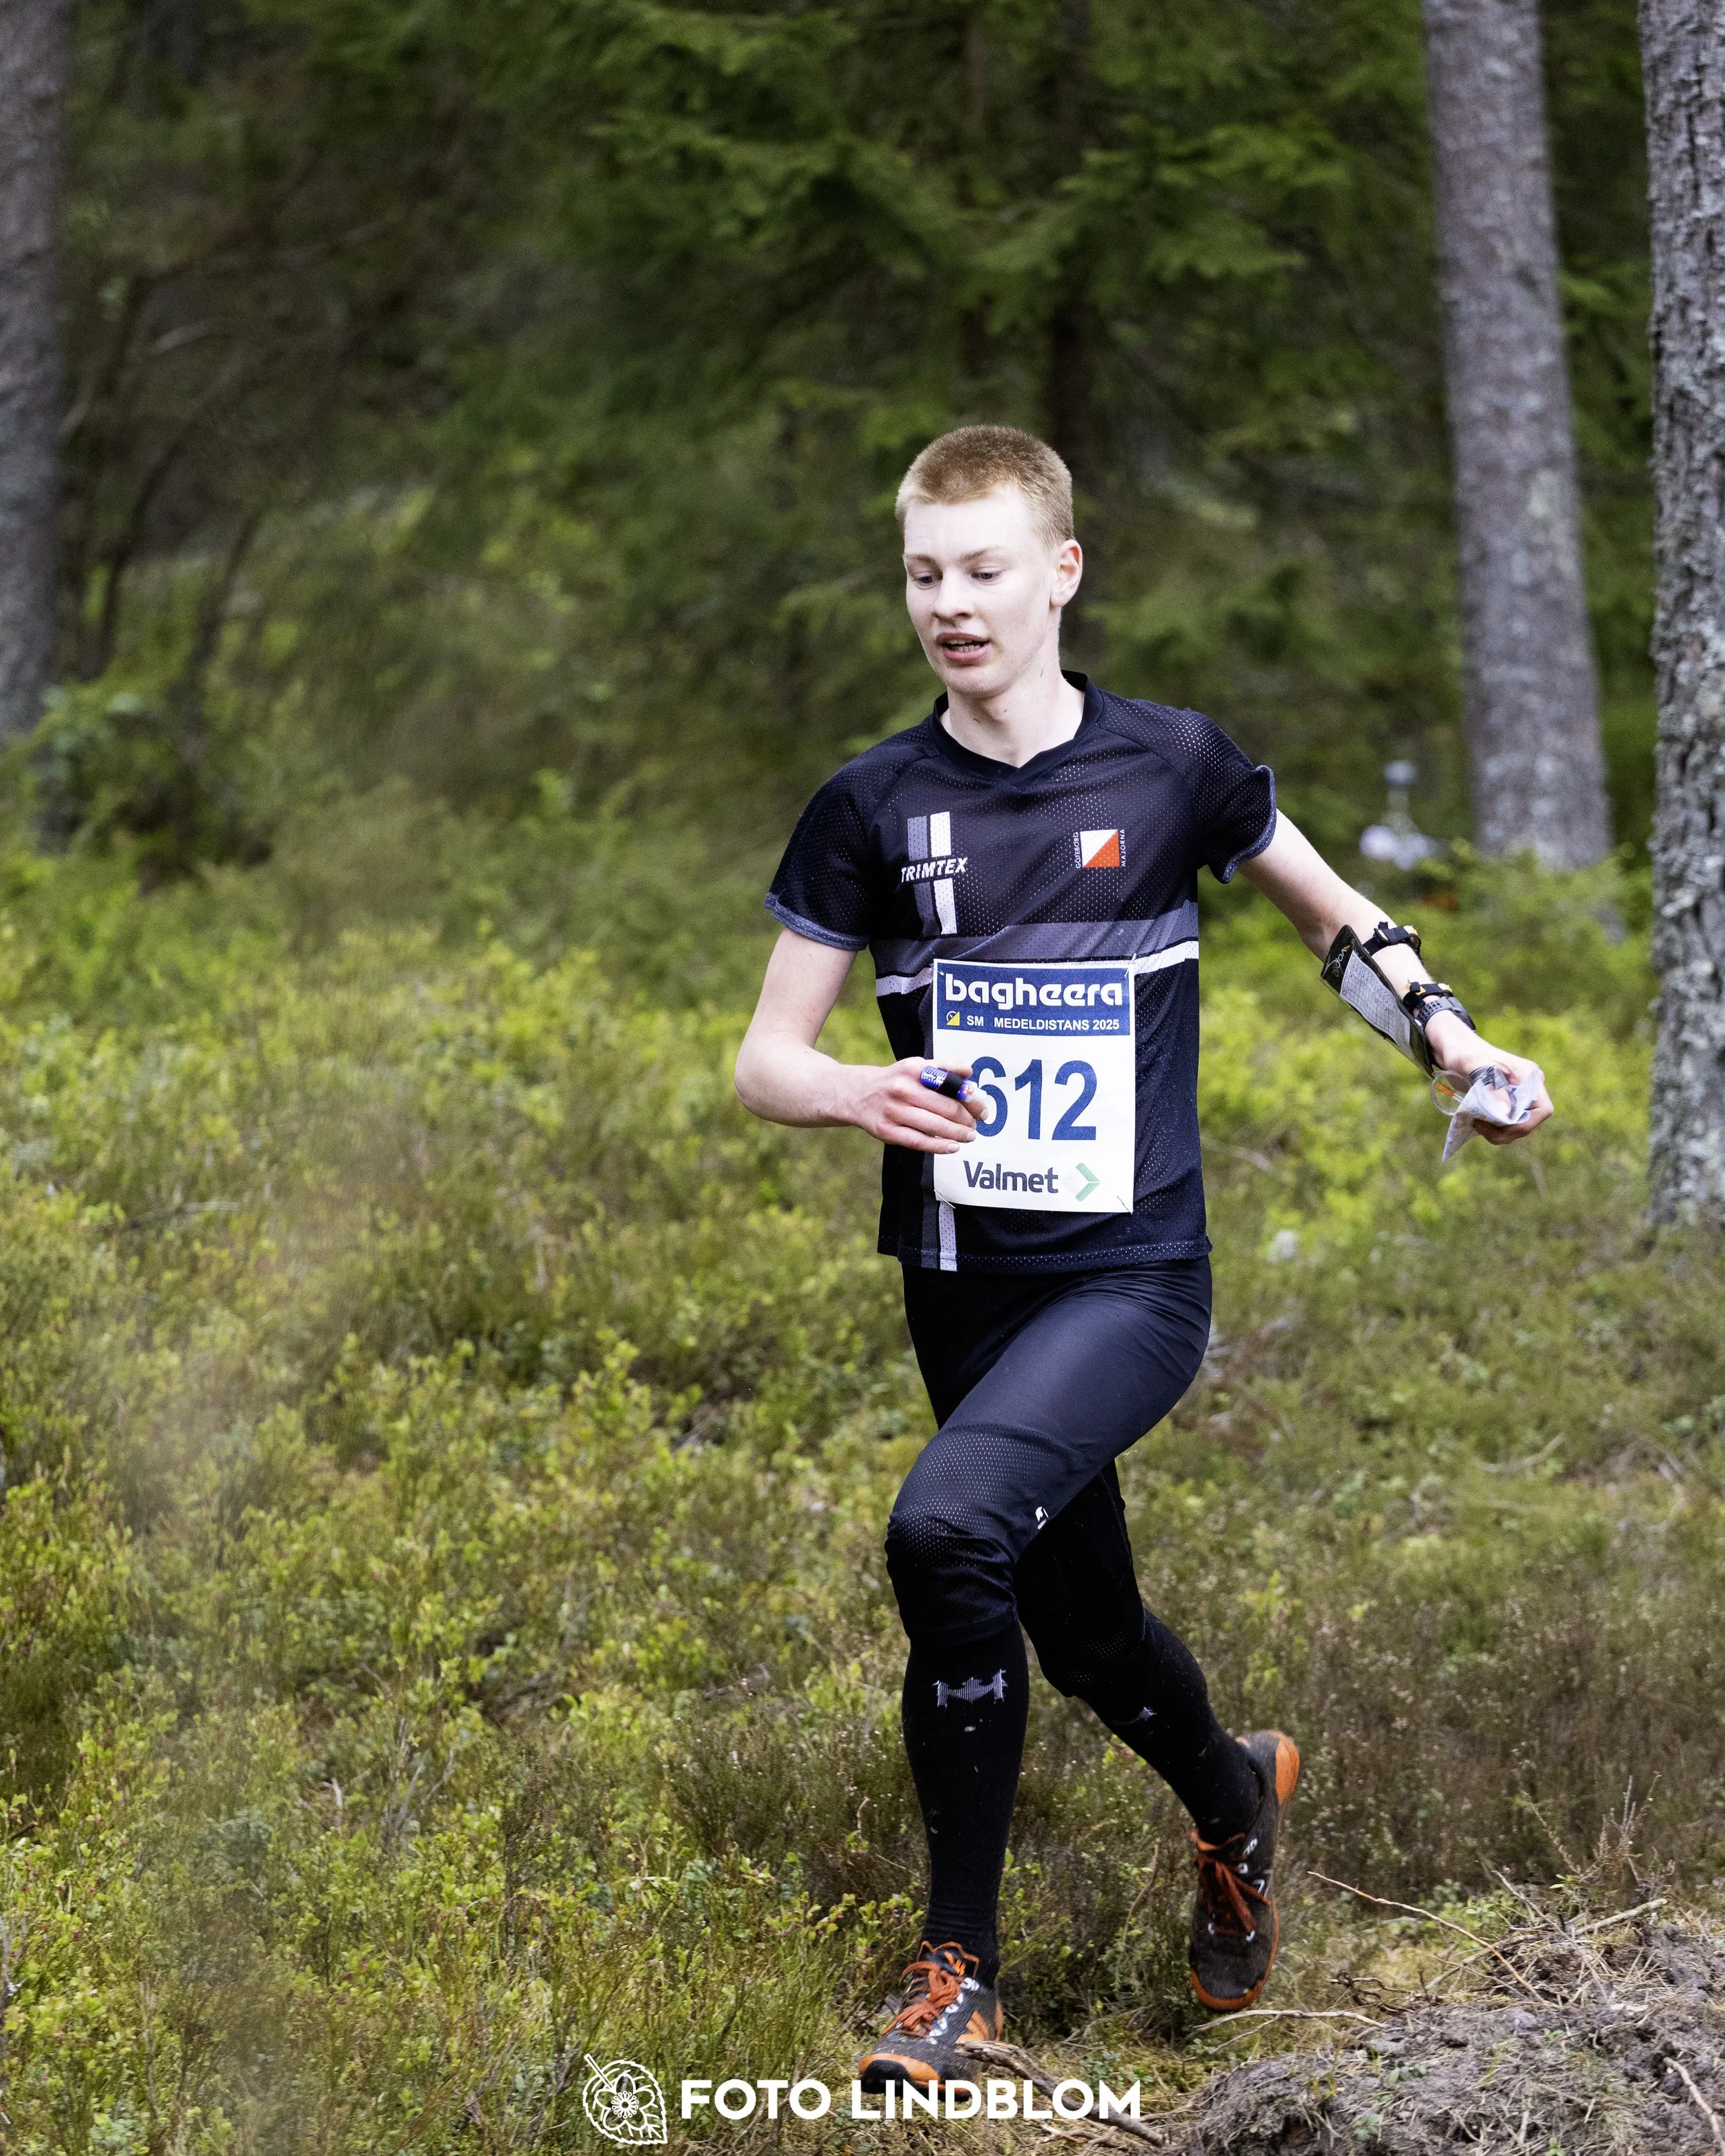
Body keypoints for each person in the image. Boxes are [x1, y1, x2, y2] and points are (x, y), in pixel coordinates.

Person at [732, 425, 1551, 2090]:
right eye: (921, 574)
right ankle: (1236, 1792)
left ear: (1059, 572)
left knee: (944, 1524)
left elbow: (1336, 920)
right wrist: (846, 1088)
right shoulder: (871, 805)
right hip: (961, 1285)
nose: (950, 605)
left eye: (980, 570)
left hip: (1131, 1279)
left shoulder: (1171, 763)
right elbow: (762, 1058)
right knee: (1080, 1621)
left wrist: (1451, 1045)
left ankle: (958, 1974)